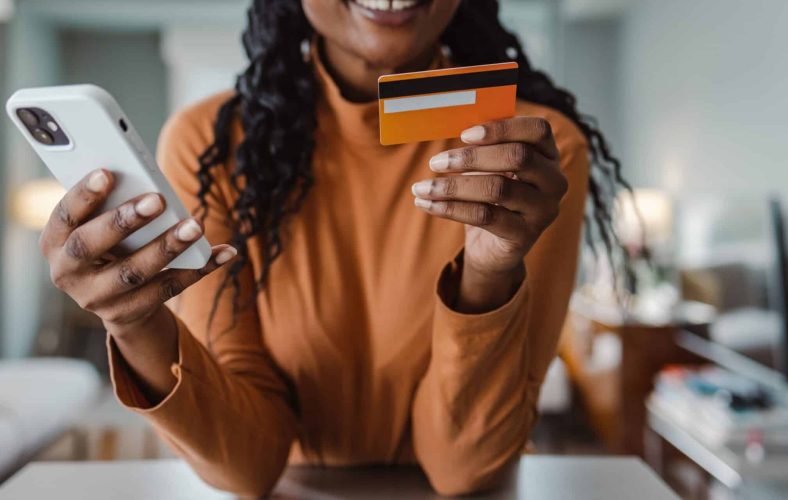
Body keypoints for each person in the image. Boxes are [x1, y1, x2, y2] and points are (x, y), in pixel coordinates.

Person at [39, 0, 628, 496]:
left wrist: (489, 271)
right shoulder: (214, 144)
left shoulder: (533, 151)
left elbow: (462, 466)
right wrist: (135, 322)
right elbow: (248, 464)